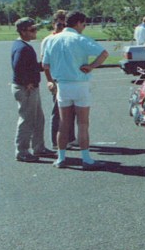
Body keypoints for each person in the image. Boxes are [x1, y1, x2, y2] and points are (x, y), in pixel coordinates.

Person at [42, 11, 109, 169]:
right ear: (78, 23)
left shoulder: (52, 40)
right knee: (83, 123)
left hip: (62, 86)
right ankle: (86, 158)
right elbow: (104, 53)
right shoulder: (80, 39)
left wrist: (51, 80)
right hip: (80, 84)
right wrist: (91, 66)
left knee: (63, 123)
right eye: (84, 24)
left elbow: (45, 65)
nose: (84, 27)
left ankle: (61, 158)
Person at [11, 17, 54, 162]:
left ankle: (39, 147)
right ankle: (22, 151)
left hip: (30, 87)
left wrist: (44, 65)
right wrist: (27, 82)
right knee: (27, 119)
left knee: (38, 118)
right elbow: (17, 67)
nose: (35, 32)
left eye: (35, 29)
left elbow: (29, 66)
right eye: (32, 30)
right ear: (23, 31)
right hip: (26, 88)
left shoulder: (23, 45)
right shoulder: (22, 47)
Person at [39, 10, 76, 150]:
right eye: (59, 24)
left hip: (69, 77)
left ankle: (70, 138)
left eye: (64, 24)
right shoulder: (49, 40)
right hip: (56, 78)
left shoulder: (68, 38)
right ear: (54, 24)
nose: (61, 27)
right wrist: (50, 81)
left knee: (72, 109)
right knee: (58, 110)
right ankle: (56, 140)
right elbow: (44, 63)